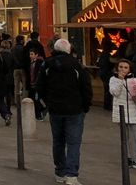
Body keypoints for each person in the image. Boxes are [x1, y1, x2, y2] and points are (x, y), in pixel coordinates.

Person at [36, 38, 92, 185]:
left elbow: (40, 86)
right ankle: (72, 175)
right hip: (74, 109)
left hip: (55, 108)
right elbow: (86, 87)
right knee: (73, 143)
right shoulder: (76, 65)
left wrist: (47, 103)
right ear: (69, 50)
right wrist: (85, 106)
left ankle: (60, 172)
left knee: (58, 141)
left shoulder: (46, 64)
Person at [110, 58, 136, 171]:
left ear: (130, 69)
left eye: (125, 67)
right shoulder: (113, 79)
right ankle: (126, 158)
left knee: (135, 137)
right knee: (125, 137)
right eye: (121, 67)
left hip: (133, 111)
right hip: (120, 111)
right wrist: (120, 80)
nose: (123, 69)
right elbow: (114, 92)